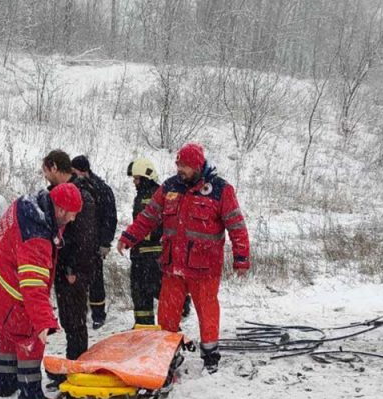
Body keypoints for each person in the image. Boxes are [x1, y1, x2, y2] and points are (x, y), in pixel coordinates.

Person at [118, 142, 250, 373]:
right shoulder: (170, 187)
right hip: (173, 266)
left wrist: (241, 258)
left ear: (198, 166)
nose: (181, 170)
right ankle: (170, 352)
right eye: (179, 164)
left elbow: (236, 226)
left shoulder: (220, 190)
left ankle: (210, 355)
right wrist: (129, 237)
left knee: (207, 312)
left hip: (204, 268)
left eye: (186, 166)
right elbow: (148, 217)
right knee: (167, 314)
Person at [0, 183, 83, 399]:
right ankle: (29, 393)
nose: (73, 220)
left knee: (9, 332)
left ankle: (5, 382)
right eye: (72, 215)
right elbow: (33, 286)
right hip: (1, 286)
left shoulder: (28, 205)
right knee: (28, 333)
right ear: (60, 210)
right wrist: (43, 323)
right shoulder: (36, 238)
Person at [41, 150, 98, 362]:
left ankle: (77, 364)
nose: (45, 175)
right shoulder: (58, 192)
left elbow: (85, 238)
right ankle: (73, 362)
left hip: (72, 269)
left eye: (46, 170)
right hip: (62, 264)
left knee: (75, 320)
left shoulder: (80, 195)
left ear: (54, 167)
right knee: (68, 319)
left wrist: (73, 269)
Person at [124, 156, 191, 327]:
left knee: (154, 288)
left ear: (147, 177)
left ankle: (180, 304)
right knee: (140, 292)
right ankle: (143, 325)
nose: (135, 182)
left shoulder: (153, 196)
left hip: (150, 255)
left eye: (137, 179)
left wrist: (140, 237)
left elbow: (153, 225)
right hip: (141, 254)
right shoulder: (145, 195)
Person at [71, 155, 117, 329]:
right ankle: (80, 313)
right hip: (78, 242)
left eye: (74, 172)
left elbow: (110, 217)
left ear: (83, 171)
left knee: (96, 279)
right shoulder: (74, 187)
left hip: (95, 242)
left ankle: (98, 314)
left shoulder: (102, 189)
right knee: (78, 278)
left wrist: (105, 242)